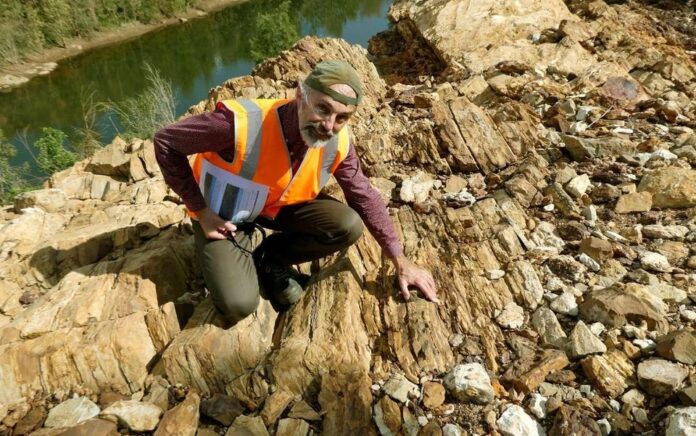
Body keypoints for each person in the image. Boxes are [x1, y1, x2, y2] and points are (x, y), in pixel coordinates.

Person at [154, 60, 438, 325]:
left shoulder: (338, 141)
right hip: (223, 216)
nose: (329, 125)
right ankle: (234, 260)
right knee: (238, 303)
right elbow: (166, 142)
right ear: (300, 95)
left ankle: (270, 259)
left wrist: (400, 261)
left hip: (276, 207)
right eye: (323, 109)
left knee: (347, 225)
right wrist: (201, 211)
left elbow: (362, 193)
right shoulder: (237, 125)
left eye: (341, 118)